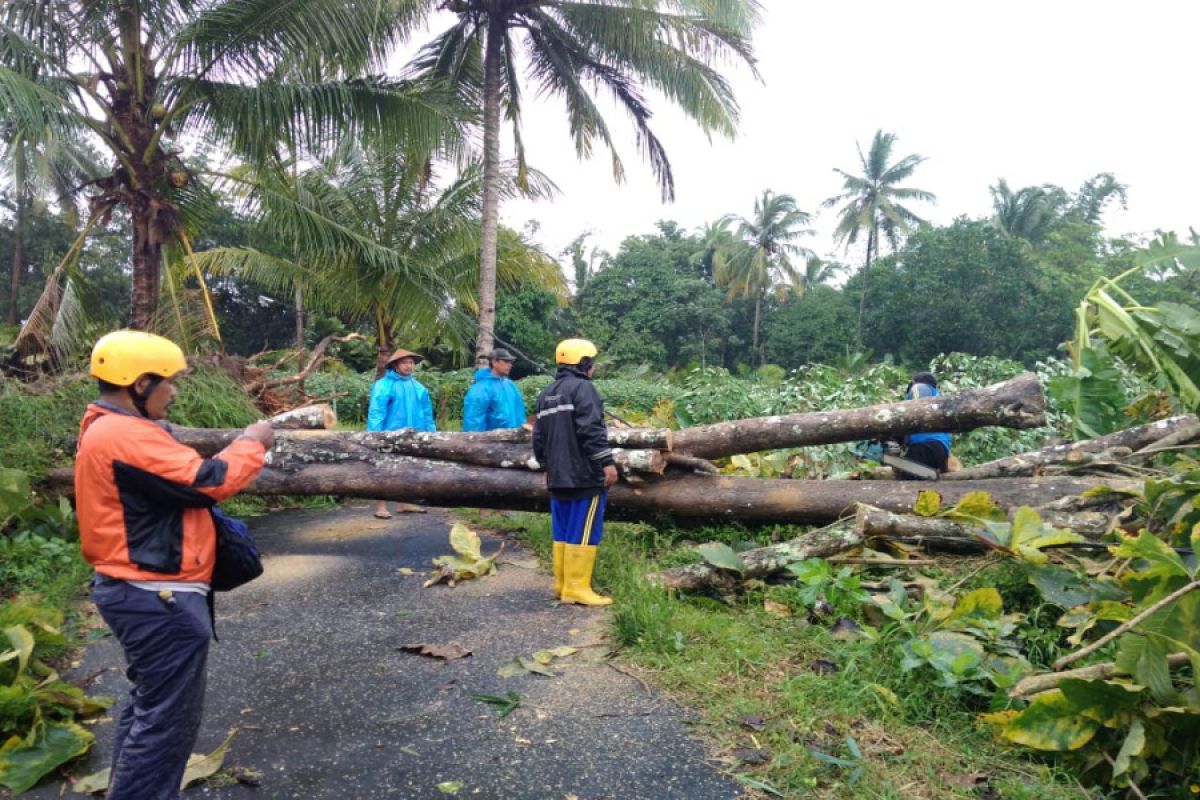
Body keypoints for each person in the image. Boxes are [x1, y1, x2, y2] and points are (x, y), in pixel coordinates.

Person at [75, 330, 273, 800]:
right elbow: (208, 480)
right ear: (140, 384)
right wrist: (253, 442)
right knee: (166, 725)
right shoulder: (123, 433)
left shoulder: (107, 427)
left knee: (151, 709)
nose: (174, 390)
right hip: (155, 595)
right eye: (168, 380)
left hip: (140, 589)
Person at [532, 338, 618, 606]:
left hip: (557, 477)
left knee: (564, 530)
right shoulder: (583, 388)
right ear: (583, 363)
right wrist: (607, 462)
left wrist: (548, 465)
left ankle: (561, 585)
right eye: (591, 363)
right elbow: (591, 430)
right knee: (584, 531)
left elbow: (538, 437)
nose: (593, 368)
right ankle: (577, 589)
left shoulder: (546, 394)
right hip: (584, 476)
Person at [367, 348, 435, 518]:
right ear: (395, 365)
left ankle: (404, 504)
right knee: (384, 470)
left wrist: (431, 434)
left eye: (411, 362)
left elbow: (427, 414)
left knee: (409, 469)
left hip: (414, 434)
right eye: (404, 362)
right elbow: (377, 412)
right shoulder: (383, 385)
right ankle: (381, 507)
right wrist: (375, 435)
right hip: (389, 435)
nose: (408, 366)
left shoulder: (419, 388)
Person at [896, 371, 953, 479]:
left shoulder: (920, 388)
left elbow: (917, 410)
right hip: (939, 450)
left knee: (906, 482)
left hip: (925, 447)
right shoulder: (938, 400)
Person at [463, 347, 526, 433]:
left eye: (511, 362)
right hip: (492, 442)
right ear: (494, 362)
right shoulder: (481, 388)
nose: (510, 365)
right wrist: (476, 443)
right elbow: (474, 420)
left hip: (513, 439)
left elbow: (519, 412)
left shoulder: (510, 385)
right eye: (506, 361)